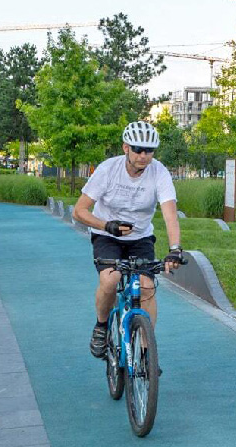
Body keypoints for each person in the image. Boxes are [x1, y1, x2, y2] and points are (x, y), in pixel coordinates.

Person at [73, 121, 183, 359]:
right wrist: (107, 225)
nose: (144, 156)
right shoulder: (107, 170)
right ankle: (102, 326)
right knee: (110, 280)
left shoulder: (159, 172)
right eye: (138, 150)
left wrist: (175, 249)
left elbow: (170, 214)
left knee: (146, 287)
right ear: (126, 148)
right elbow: (79, 211)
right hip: (107, 235)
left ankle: (146, 355)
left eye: (149, 151)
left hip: (140, 237)